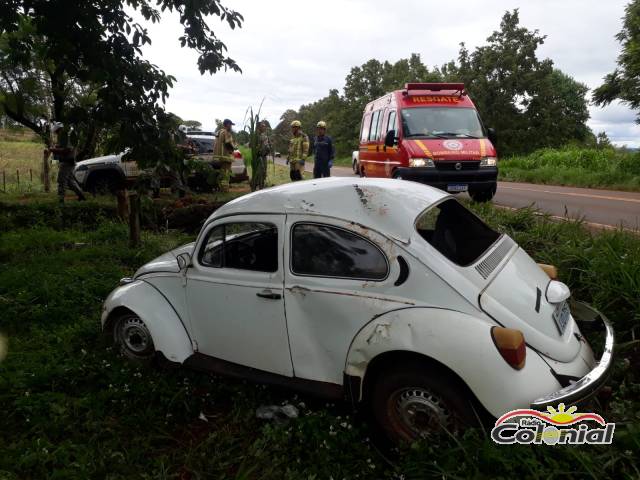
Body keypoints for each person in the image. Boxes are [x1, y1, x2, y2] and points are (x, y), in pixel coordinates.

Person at [47, 122, 86, 203]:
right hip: (68, 162)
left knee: (61, 181)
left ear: (60, 129)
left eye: (57, 131)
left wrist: (53, 150)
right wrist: (56, 147)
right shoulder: (64, 138)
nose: (56, 133)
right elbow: (63, 148)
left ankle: (61, 200)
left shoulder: (68, 137)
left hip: (67, 162)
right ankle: (81, 196)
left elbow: (67, 150)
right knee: (70, 181)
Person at [213, 119, 237, 192]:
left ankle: (220, 188)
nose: (231, 127)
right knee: (226, 173)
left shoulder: (219, 132)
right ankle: (225, 189)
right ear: (227, 125)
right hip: (225, 156)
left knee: (221, 173)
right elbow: (228, 143)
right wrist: (235, 147)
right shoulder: (226, 132)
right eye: (230, 125)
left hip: (218, 156)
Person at [252, 120, 271, 191]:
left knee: (263, 172)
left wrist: (268, 149)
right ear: (259, 127)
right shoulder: (255, 136)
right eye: (263, 126)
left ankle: (261, 187)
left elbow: (267, 146)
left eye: (265, 126)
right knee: (258, 173)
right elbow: (252, 146)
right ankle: (256, 186)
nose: (264, 128)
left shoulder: (265, 136)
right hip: (258, 157)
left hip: (264, 157)